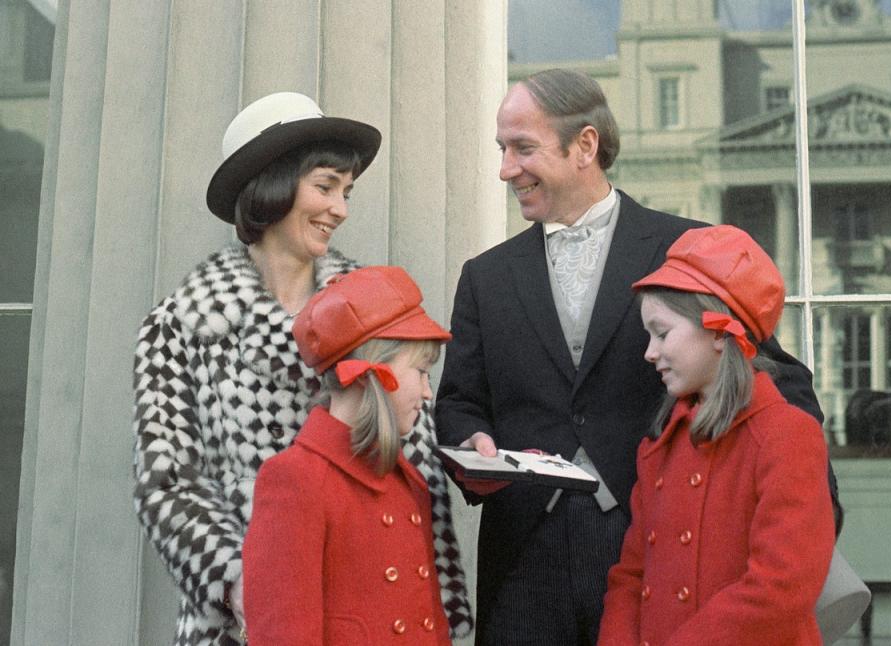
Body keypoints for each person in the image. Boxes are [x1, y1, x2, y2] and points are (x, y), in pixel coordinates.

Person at [435, 68, 835, 645]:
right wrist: (472, 444)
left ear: (586, 146)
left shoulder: (688, 249)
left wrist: (803, 511)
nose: (506, 169)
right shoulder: (485, 277)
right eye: (502, 149)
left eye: (523, 148)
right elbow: (459, 402)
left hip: (651, 551)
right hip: (523, 555)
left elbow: (780, 383)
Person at [133, 92, 471, 645]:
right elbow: (166, 482)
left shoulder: (376, 310)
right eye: (325, 187)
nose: (341, 208)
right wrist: (241, 580)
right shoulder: (180, 326)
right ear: (273, 187)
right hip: (241, 616)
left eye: (346, 191)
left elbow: (415, 462)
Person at [597, 224, 835, 645]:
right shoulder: (659, 447)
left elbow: (781, 589)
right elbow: (630, 577)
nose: (649, 352)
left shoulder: (787, 435)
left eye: (663, 332)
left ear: (722, 333)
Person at [243, 266, 454, 645]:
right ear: (373, 372)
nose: (427, 393)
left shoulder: (405, 481)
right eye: (421, 372)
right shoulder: (295, 480)